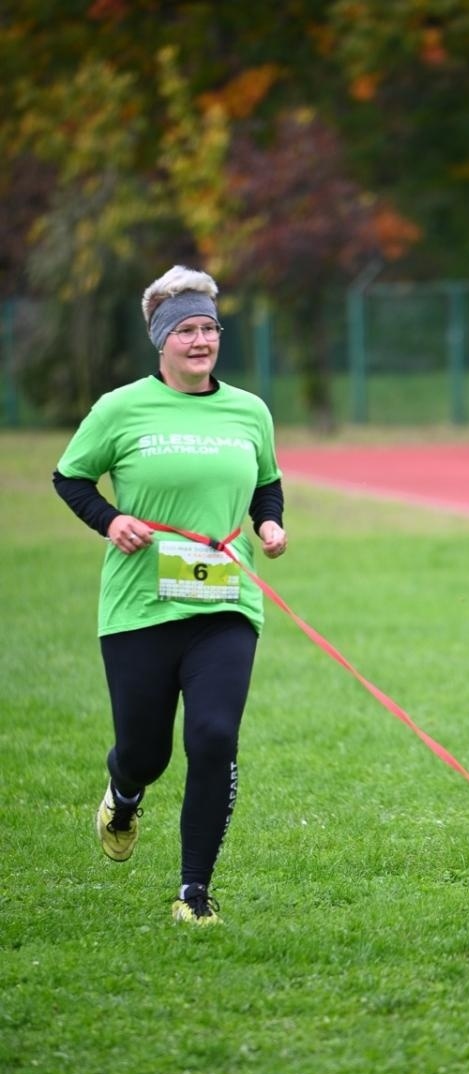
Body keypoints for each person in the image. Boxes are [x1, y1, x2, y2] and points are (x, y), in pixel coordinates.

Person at [53, 265, 287, 926]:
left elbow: (265, 484)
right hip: (139, 606)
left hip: (223, 601)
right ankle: (124, 793)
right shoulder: (120, 409)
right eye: (185, 329)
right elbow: (70, 477)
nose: (200, 340)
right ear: (162, 339)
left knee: (213, 736)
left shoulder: (249, 410)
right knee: (145, 752)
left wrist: (268, 523)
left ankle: (194, 892)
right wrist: (111, 520)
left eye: (209, 329)